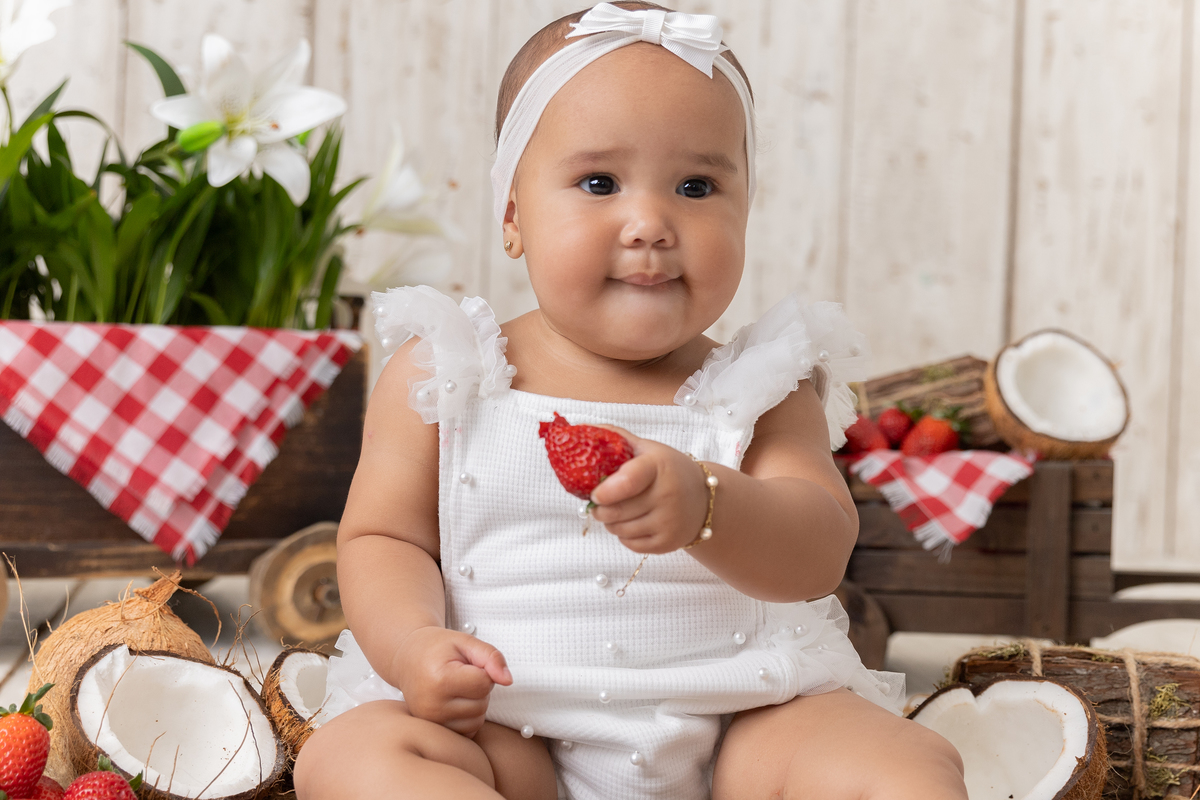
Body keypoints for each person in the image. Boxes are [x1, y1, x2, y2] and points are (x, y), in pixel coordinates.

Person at [294, 3, 968, 799]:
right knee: (351, 760)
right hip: (510, 730)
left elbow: (820, 549)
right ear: (513, 214)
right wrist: (412, 648)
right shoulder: (450, 370)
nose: (649, 223)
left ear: (745, 207)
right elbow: (382, 538)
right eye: (599, 182)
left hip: (743, 725)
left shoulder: (760, 386)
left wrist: (709, 505)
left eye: (696, 185)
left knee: (906, 766)